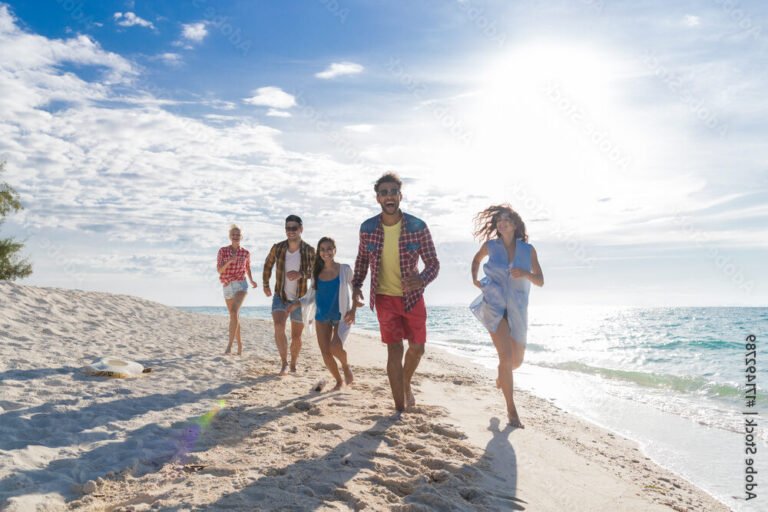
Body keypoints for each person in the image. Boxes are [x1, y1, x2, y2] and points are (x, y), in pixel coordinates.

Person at [352, 172, 440, 414]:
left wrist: (421, 280)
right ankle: (399, 408)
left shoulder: (417, 226)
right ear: (377, 198)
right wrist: (357, 286)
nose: (389, 196)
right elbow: (361, 259)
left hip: (412, 297)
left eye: (393, 192)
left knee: (417, 348)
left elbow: (433, 263)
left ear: (400, 196)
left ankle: (406, 381)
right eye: (384, 193)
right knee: (394, 350)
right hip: (383, 298)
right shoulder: (368, 228)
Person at [470, 205, 544, 428]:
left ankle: (502, 374)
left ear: (515, 225)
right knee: (505, 357)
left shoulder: (528, 250)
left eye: (506, 220)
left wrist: (525, 274)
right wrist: (474, 279)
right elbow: (476, 260)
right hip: (494, 305)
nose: (502, 223)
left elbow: (540, 280)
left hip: (518, 308)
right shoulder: (490, 246)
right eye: (499, 220)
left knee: (516, 362)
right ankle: (512, 412)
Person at [288, 237, 356, 391]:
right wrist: (297, 303)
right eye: (323, 249)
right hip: (321, 317)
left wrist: (353, 311)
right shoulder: (316, 272)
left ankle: (345, 366)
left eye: (329, 248)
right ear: (319, 252)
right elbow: (311, 295)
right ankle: (339, 381)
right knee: (325, 353)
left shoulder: (344, 269)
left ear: (334, 250)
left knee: (335, 348)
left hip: (340, 316)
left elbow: (355, 291)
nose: (326, 252)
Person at [263, 215, 316, 375]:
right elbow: (268, 264)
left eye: (294, 228)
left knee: (296, 336)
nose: (290, 231)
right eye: (288, 228)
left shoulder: (309, 250)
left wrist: (301, 274)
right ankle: (284, 363)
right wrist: (266, 283)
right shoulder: (278, 248)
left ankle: (293, 363)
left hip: (300, 299)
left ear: (301, 229)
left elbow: (316, 273)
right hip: (280, 295)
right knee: (278, 326)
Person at [216, 224, 257, 355]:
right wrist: (229, 261)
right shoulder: (223, 251)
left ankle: (229, 347)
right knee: (234, 316)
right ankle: (240, 345)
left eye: (238, 234)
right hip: (227, 285)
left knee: (234, 312)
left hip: (241, 284)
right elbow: (219, 270)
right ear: (230, 236)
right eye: (233, 234)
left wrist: (251, 280)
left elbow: (248, 268)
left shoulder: (245, 253)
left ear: (241, 237)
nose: (236, 236)